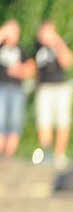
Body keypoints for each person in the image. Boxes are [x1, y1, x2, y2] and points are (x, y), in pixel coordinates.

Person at [29, 21, 73, 168]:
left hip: (60, 87)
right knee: (44, 122)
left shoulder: (61, 45)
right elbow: (31, 68)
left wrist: (56, 42)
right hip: (44, 88)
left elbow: (68, 62)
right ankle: (46, 154)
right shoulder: (36, 47)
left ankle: (59, 155)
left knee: (63, 121)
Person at [0, 20, 30, 159]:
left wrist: (19, 70)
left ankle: (8, 155)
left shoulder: (21, 50)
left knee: (15, 122)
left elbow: (31, 69)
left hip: (16, 89)